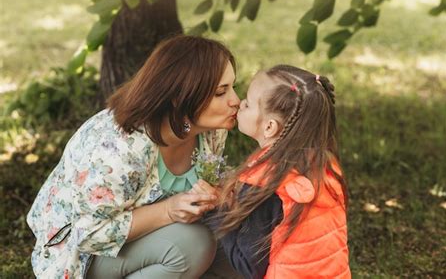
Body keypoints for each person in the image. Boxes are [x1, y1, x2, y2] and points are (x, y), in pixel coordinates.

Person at [26, 35, 241, 279]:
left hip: (154, 239)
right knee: (192, 245)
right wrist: (170, 210)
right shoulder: (119, 147)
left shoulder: (211, 131)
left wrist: (220, 192)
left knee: (240, 246)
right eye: (221, 92)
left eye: (233, 87)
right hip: (80, 256)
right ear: (180, 96)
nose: (235, 101)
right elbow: (89, 234)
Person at [196, 65, 350, 278]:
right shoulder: (324, 168)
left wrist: (216, 211)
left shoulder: (266, 185)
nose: (240, 104)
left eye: (248, 104)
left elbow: (249, 267)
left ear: (269, 127)